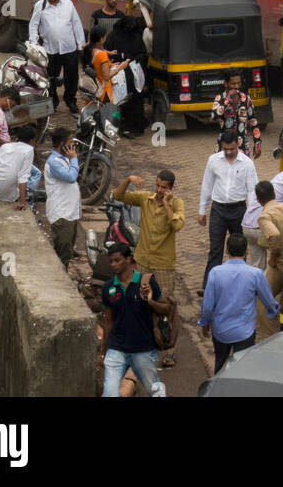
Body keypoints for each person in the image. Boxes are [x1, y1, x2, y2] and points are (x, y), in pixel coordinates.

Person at [198, 232, 280, 373]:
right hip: (245, 333)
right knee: (242, 370)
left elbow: (207, 306)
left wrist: (205, 323)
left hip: (220, 331)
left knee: (220, 365)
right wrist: (273, 312)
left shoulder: (215, 272)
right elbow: (268, 300)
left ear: (227, 250)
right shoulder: (255, 274)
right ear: (246, 251)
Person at [100, 241, 168, 398]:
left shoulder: (146, 282)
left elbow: (167, 308)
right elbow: (108, 321)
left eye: (117, 260)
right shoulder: (107, 288)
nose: (113, 265)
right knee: (110, 393)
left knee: (155, 391)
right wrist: (104, 351)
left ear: (128, 259)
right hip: (116, 348)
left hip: (142, 348)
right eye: (111, 261)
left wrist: (150, 301)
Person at [113, 170, 185, 308]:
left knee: (165, 303)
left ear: (171, 188)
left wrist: (166, 203)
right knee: (140, 300)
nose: (159, 190)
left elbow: (177, 225)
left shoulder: (177, 203)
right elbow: (118, 195)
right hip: (143, 261)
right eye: (157, 186)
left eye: (163, 187)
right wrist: (128, 179)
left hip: (163, 265)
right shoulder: (146, 198)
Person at [198, 129, 258, 290]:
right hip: (218, 210)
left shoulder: (247, 163)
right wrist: (202, 210)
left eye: (232, 149)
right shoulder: (213, 161)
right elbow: (207, 185)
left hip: (239, 210)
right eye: (225, 149)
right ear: (221, 146)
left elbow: (252, 190)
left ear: (238, 144)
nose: (229, 152)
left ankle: (240, 286)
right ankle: (209, 287)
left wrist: (252, 215)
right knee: (215, 249)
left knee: (239, 251)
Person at [28, 0, 85, 116]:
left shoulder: (68, 4)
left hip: (69, 48)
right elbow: (33, 25)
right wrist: (34, 43)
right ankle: (52, 102)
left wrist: (81, 44)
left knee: (71, 77)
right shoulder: (40, 6)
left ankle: (70, 101)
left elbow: (76, 23)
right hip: (50, 49)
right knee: (51, 77)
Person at [104, 1, 148, 137]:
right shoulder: (114, 35)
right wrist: (122, 56)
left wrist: (133, 59)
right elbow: (108, 52)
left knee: (135, 100)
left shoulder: (136, 36)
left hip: (134, 75)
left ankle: (134, 126)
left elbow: (143, 54)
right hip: (117, 74)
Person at [44, 127, 81, 267]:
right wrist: (74, 158)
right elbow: (71, 177)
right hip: (62, 215)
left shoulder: (64, 158)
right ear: (62, 144)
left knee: (67, 250)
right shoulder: (54, 162)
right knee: (63, 256)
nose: (73, 146)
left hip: (70, 213)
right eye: (71, 142)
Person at [0, 123, 40, 208]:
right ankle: (30, 204)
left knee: (35, 172)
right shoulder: (29, 150)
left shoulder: (6, 146)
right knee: (36, 178)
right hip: (7, 194)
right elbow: (23, 176)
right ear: (32, 140)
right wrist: (22, 202)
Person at [211, 73, 261, 158]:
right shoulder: (220, 99)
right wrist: (228, 100)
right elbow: (214, 116)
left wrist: (257, 144)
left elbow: (253, 122)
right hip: (224, 146)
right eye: (233, 84)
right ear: (226, 84)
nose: (237, 86)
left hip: (242, 147)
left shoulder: (246, 99)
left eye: (239, 83)